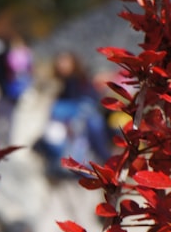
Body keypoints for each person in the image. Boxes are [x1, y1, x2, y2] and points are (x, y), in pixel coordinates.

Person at [34, 51, 112, 179]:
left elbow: (89, 102)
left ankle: (90, 163)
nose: (62, 65)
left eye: (65, 62)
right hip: (68, 119)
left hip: (82, 115)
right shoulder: (59, 83)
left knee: (90, 125)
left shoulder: (82, 81)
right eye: (60, 62)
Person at [0, 35, 33, 138]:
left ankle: (0, 134)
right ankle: (2, 134)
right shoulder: (24, 56)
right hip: (10, 89)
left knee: (4, 113)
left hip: (12, 89)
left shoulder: (16, 56)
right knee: (6, 113)